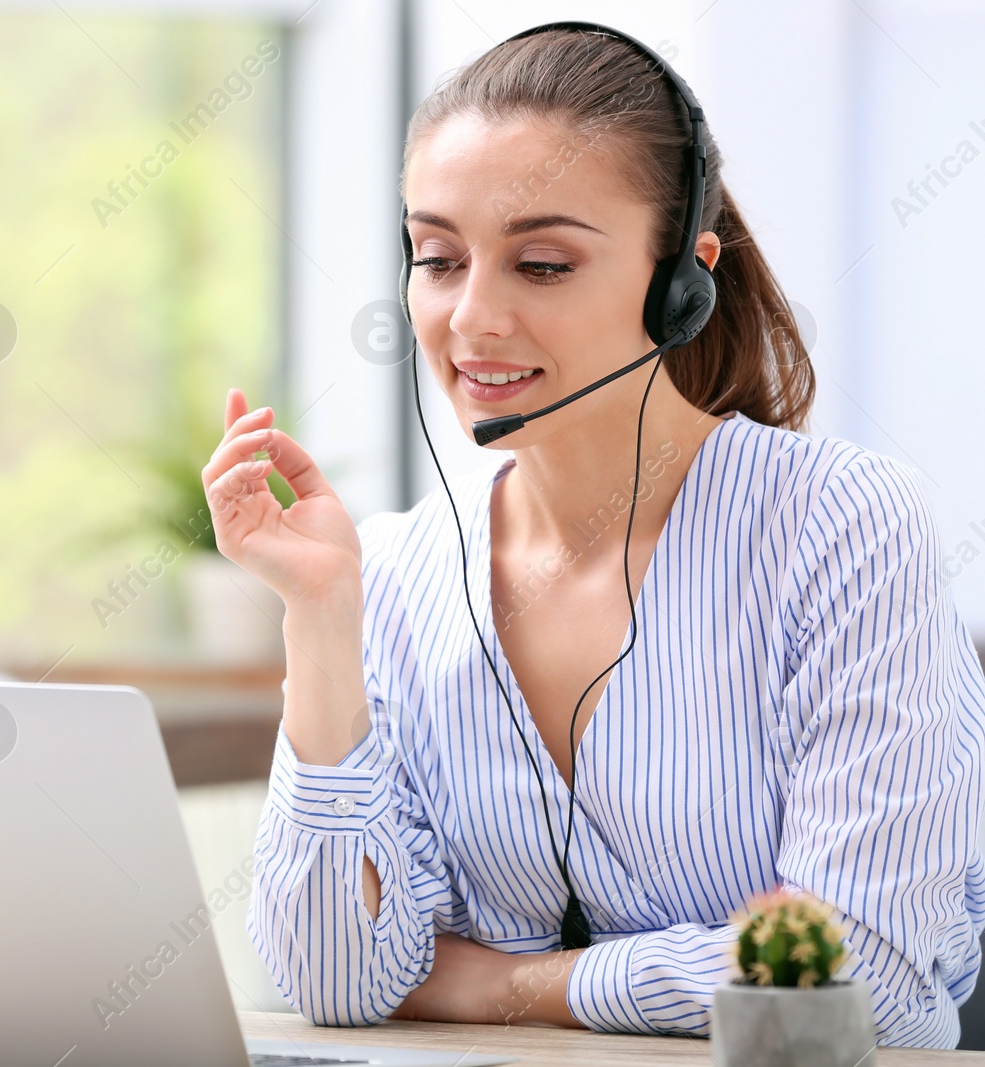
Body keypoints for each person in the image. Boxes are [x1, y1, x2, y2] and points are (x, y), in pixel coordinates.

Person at [201, 24, 985, 1047]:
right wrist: (318, 617)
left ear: (680, 284)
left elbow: (859, 968)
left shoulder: (839, 526)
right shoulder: (391, 572)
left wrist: (495, 982)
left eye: (541, 263)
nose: (470, 317)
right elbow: (337, 975)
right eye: (436, 258)